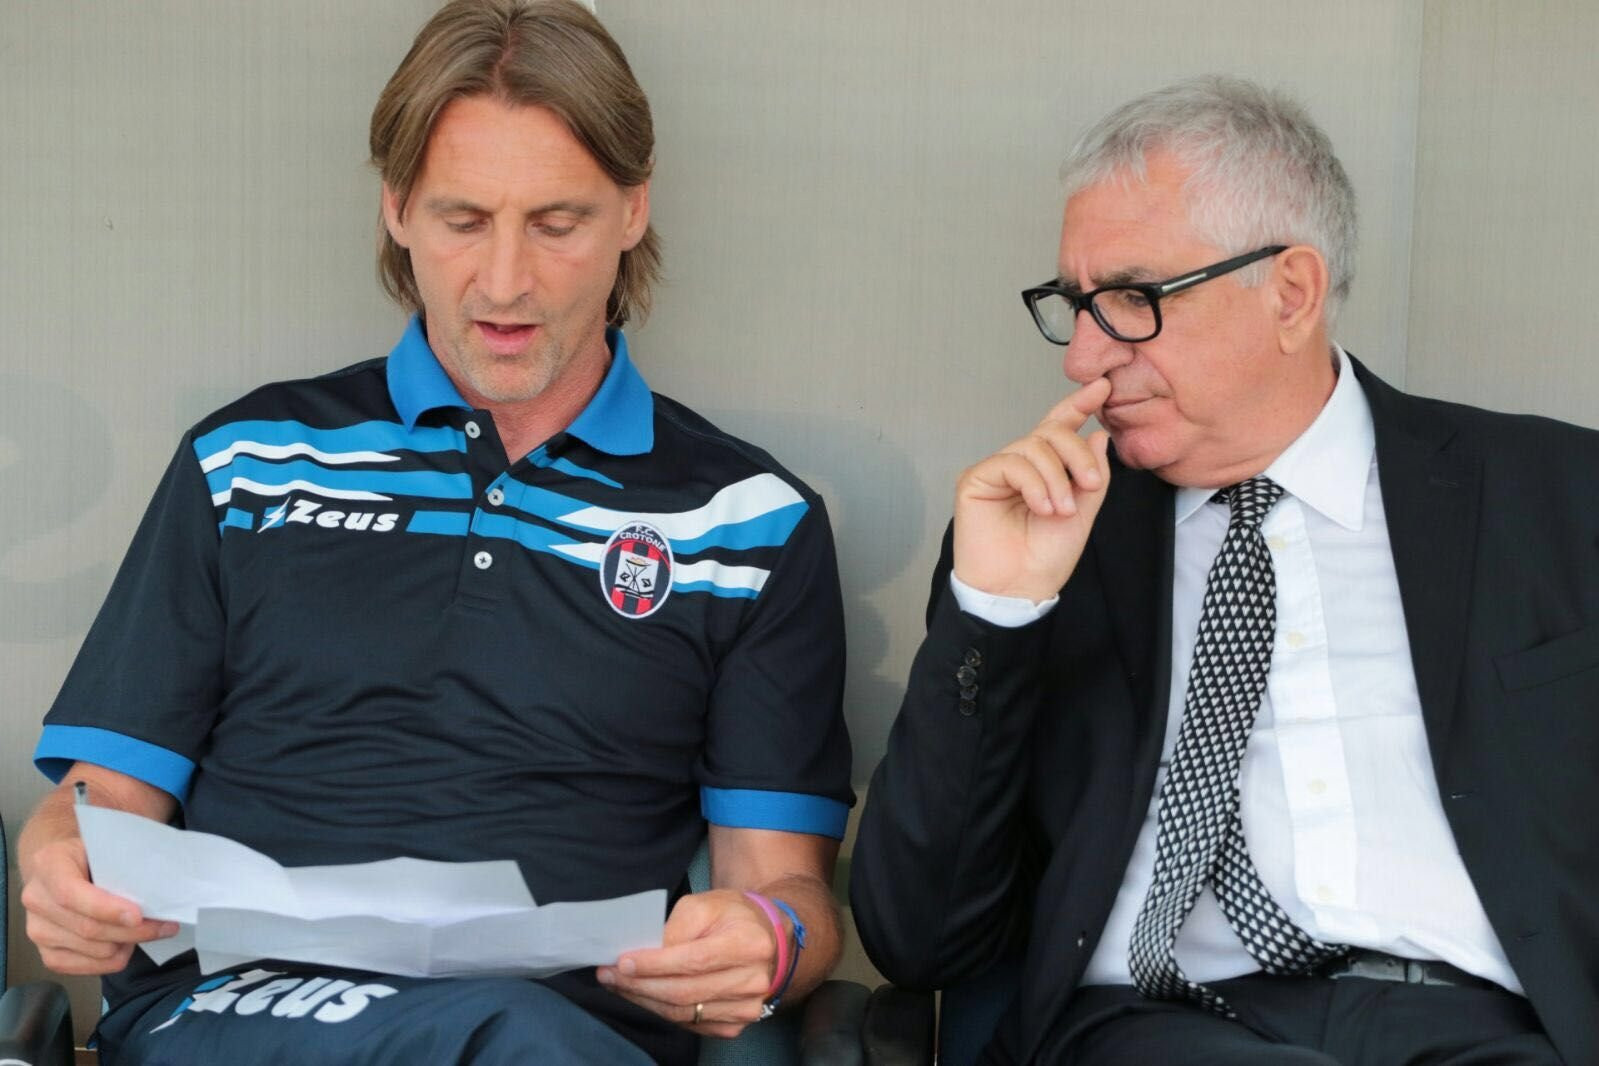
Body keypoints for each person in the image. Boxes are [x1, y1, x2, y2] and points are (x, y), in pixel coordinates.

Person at [17, 2, 852, 1063]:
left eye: (556, 223)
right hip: (237, 1009)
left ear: (633, 210)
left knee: (517, 1038)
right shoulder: (248, 462)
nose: (504, 282)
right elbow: (99, 798)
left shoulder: (747, 522)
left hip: (561, 1028)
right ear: (398, 208)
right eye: (464, 220)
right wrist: (60, 862)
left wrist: (768, 940)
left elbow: (782, 884)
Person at [851, 75, 1593, 1065]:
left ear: (1290, 293)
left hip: (1493, 1031)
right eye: (1075, 306)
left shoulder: (1561, 499)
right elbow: (918, 938)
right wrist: (995, 613)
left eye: (1132, 299)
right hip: (1156, 1029)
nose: (1083, 359)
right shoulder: (1048, 542)